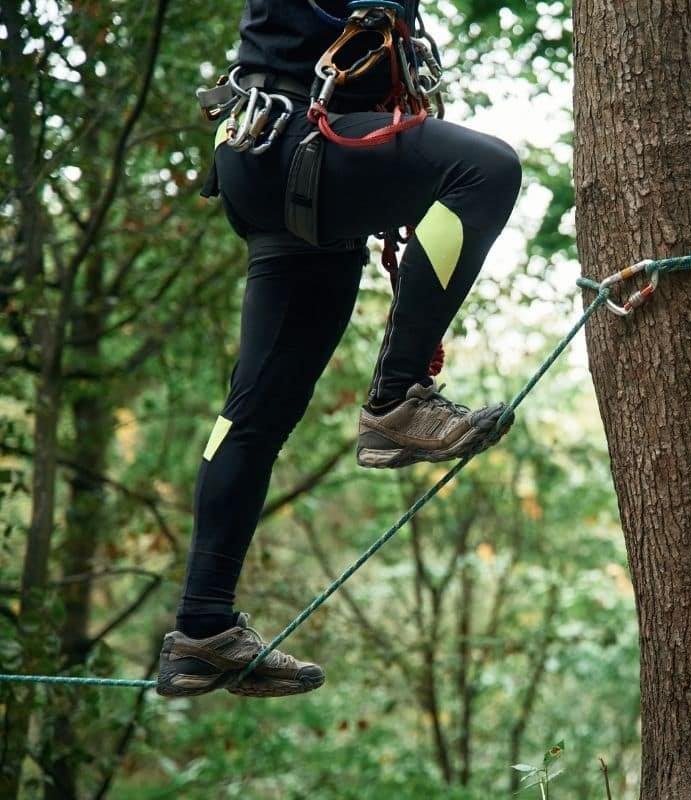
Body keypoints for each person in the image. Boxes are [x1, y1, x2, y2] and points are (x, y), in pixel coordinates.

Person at [156, 0, 520, 698]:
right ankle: (397, 399)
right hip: (300, 142)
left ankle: (201, 632)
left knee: (253, 416)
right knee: (485, 171)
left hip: (272, 156)